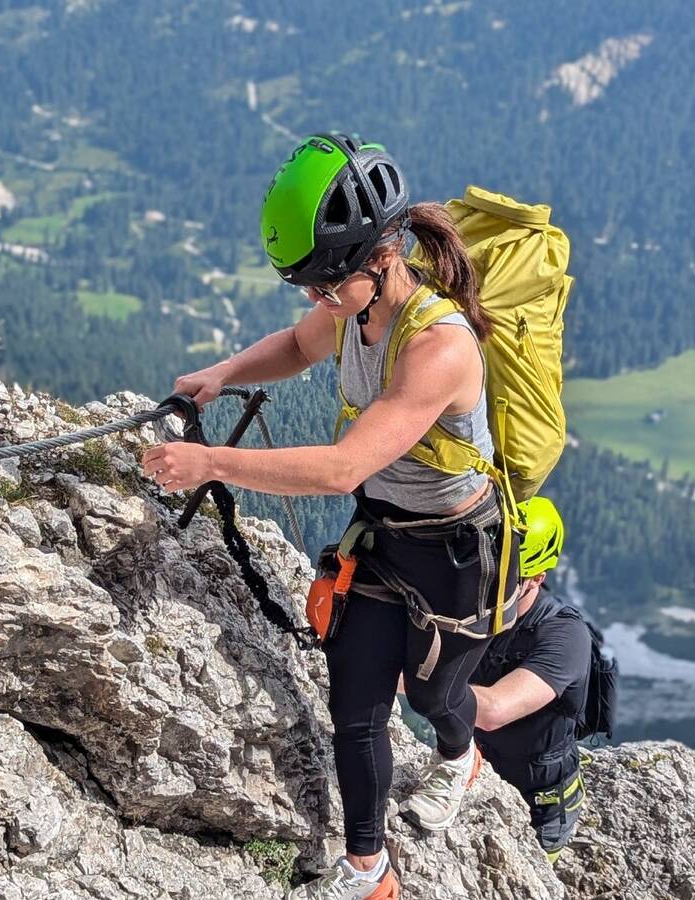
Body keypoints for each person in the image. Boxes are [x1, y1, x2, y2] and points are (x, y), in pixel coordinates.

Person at [142, 132, 520, 900]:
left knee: (434, 698)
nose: (314, 302)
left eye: (323, 286)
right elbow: (294, 345)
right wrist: (220, 375)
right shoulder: (350, 306)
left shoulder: (439, 347)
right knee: (355, 701)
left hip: (457, 552)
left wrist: (213, 464)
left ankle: (461, 758)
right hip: (384, 535)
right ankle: (368, 869)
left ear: (382, 260)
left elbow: (344, 464)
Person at [470, 495, 590, 863]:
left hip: (542, 808)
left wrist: (401, 678)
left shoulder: (564, 637)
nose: (493, 585)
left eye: (509, 578)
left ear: (537, 577)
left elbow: (492, 711)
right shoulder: (477, 612)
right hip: (481, 775)